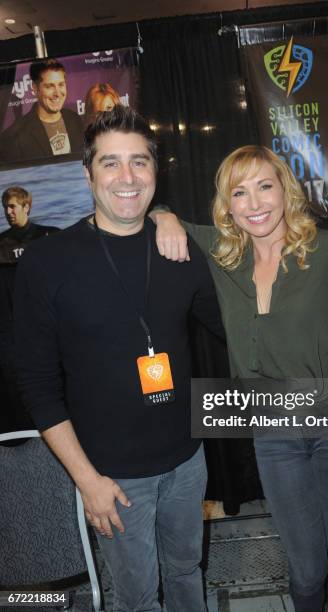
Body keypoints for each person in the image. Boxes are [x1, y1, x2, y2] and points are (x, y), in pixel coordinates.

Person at [151, 145, 328, 612]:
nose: (254, 203)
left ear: (285, 189)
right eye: (240, 192)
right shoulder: (224, 255)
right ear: (227, 206)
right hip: (275, 432)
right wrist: (165, 216)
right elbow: (153, 211)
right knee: (305, 563)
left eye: (264, 186)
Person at [13, 106, 224, 611]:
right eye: (110, 163)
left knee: (185, 572)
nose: (127, 177)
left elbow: (237, 325)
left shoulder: (181, 249)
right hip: (113, 476)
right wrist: (88, 481)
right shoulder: (47, 263)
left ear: (156, 171)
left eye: (139, 162)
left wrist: (167, 215)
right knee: (137, 597)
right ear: (87, 174)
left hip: (187, 461)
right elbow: (38, 386)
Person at [0, 187, 58, 433]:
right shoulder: (0, 244)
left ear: (27, 206)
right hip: (12, 332)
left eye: (13, 206)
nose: (8, 212)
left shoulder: (50, 237)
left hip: (48, 327)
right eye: (5, 207)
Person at [0, 59, 83, 164]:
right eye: (49, 86)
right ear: (35, 88)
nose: (57, 93)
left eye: (61, 85)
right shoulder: (15, 137)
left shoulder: (75, 120)